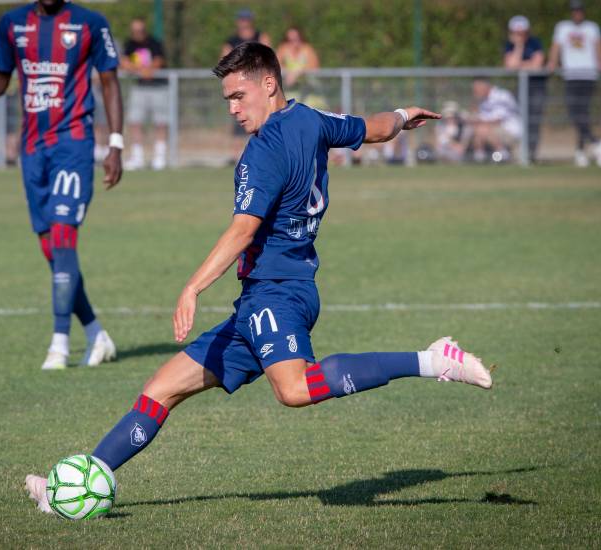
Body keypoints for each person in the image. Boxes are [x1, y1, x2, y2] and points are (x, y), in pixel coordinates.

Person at [24, 42, 492, 511]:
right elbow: (375, 129)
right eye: (227, 99)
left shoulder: (263, 151)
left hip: (277, 294)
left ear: (269, 84)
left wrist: (191, 287)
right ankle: (77, 482)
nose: (232, 108)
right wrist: (400, 114)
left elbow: (242, 230)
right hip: (265, 299)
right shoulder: (312, 119)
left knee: (294, 389)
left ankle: (434, 360)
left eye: (238, 96)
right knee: (160, 390)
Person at [0, 0, 124, 370]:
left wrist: (115, 143)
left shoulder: (90, 23)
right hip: (32, 150)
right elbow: (2, 75)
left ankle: (58, 345)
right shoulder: (13, 23)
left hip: (73, 145)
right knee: (51, 247)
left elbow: (109, 82)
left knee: (64, 236)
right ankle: (96, 334)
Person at [547, 0, 601, 167]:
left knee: (583, 113)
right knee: (574, 113)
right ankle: (595, 143)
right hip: (571, 75)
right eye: (574, 10)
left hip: (588, 75)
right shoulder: (563, 27)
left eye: (579, 10)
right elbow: (556, 47)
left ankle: (582, 150)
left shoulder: (591, 27)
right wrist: (552, 62)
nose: (577, 13)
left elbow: (598, 46)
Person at [221, 9, 272, 163]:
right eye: (241, 19)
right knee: (239, 121)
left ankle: (267, 154)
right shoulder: (231, 42)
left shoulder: (261, 37)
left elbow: (268, 58)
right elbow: (225, 63)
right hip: (239, 89)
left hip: (258, 87)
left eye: (246, 19)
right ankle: (238, 157)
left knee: (264, 120)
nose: (244, 23)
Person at [120, 17, 169, 171]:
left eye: (140, 30)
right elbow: (124, 62)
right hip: (139, 88)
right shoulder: (129, 44)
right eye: (135, 30)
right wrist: (140, 70)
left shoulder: (154, 43)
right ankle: (137, 157)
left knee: (160, 122)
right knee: (135, 121)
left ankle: (160, 157)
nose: (137, 33)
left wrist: (146, 70)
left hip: (158, 88)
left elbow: (158, 61)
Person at [503, 15, 547, 163]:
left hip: (536, 88)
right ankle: (520, 152)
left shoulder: (535, 43)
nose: (519, 35)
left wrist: (520, 65)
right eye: (516, 33)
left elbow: (537, 65)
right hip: (521, 88)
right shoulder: (510, 45)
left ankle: (531, 154)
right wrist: (519, 46)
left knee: (533, 120)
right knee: (519, 120)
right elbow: (510, 66)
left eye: (522, 33)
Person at [471, 78, 522, 163]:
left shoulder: (502, 95)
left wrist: (478, 121)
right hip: (493, 130)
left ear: (484, 86)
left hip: (509, 130)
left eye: (476, 89)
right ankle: (480, 157)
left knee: (482, 128)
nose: (475, 92)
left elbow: (498, 120)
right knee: (478, 128)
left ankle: (502, 155)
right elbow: (477, 117)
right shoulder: (482, 100)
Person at [276, 26, 319, 94]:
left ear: (300, 38)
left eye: (296, 39)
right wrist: (287, 72)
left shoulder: (307, 49)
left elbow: (314, 66)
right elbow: (275, 64)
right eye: (289, 40)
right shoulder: (283, 48)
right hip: (289, 88)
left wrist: (297, 74)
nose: (293, 42)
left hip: (308, 87)